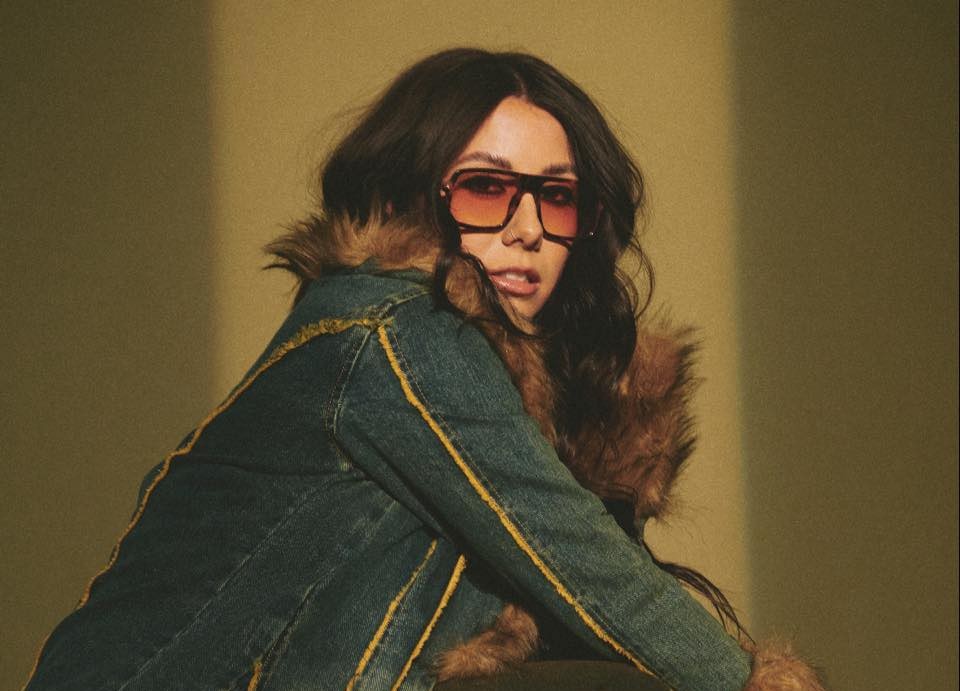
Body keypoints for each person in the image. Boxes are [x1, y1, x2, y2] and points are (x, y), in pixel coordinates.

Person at [23, 49, 824, 691]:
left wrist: (616, 451)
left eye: (557, 197)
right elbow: (583, 567)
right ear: (408, 196)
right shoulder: (394, 329)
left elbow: (570, 600)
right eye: (486, 187)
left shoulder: (508, 390)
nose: (526, 228)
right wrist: (759, 680)